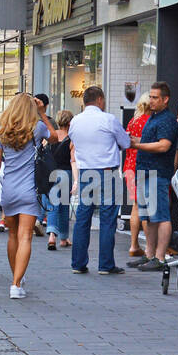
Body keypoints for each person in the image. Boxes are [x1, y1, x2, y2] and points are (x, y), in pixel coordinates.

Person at [0, 93, 46, 298]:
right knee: (25, 236)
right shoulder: (36, 129)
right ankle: (16, 284)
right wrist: (43, 114)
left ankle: (16, 277)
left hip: (9, 190)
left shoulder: (1, 132)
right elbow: (54, 137)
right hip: (29, 190)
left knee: (12, 235)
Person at [68, 86, 130, 276]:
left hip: (86, 171)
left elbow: (74, 143)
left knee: (83, 218)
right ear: (100, 100)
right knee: (108, 219)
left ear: (84, 101)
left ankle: (78, 263)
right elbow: (126, 143)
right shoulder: (108, 119)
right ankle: (105, 264)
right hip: (107, 172)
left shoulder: (75, 122)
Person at [128, 81, 178, 272]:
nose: (151, 100)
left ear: (165, 100)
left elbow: (163, 145)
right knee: (148, 217)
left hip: (157, 173)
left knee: (161, 216)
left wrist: (136, 145)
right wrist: (134, 140)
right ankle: (149, 255)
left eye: (155, 97)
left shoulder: (167, 119)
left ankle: (159, 257)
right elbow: (151, 141)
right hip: (145, 171)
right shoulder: (154, 117)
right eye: (150, 96)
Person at [122, 93, 151, 262]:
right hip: (143, 167)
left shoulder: (133, 121)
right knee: (146, 208)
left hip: (129, 167)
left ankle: (134, 245)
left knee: (136, 207)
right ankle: (149, 246)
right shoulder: (150, 122)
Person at [43, 110, 76, 250]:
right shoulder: (71, 139)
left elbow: (42, 155)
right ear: (70, 122)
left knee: (53, 204)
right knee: (63, 206)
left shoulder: (50, 136)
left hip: (50, 174)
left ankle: (54, 236)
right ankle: (62, 237)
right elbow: (73, 161)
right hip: (65, 173)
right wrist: (76, 181)